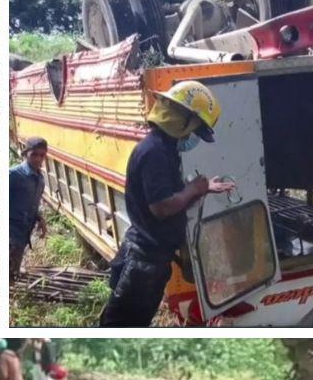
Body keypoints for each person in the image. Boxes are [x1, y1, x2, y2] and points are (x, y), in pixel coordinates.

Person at [100, 81, 236, 327]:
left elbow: (172, 198)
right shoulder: (155, 153)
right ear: (183, 121)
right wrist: (195, 188)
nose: (192, 138)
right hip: (144, 263)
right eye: (195, 131)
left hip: (148, 259)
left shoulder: (163, 148)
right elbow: (162, 207)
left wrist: (201, 189)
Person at [9, 137, 48, 282]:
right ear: (26, 154)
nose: (38, 159)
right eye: (34, 155)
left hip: (24, 232)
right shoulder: (14, 175)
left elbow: (32, 204)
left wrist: (40, 219)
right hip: (11, 232)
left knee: (14, 267)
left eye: (42, 155)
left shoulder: (39, 179)